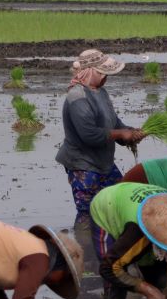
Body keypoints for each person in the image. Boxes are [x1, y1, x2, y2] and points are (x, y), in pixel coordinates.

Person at [55, 49, 146, 225]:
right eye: (103, 73)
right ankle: (85, 241)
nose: (106, 78)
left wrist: (131, 133)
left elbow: (113, 122)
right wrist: (120, 134)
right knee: (88, 214)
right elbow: (89, 134)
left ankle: (110, 240)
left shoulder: (101, 92)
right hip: (83, 166)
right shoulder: (77, 96)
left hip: (104, 164)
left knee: (120, 203)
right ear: (90, 72)